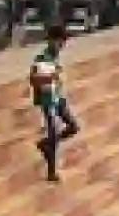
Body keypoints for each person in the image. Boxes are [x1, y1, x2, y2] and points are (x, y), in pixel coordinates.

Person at [29, 30, 81, 183]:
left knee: (73, 126)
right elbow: (35, 80)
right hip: (48, 101)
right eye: (59, 42)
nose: (61, 46)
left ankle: (45, 144)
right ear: (51, 41)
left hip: (58, 98)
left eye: (63, 43)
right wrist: (50, 78)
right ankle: (51, 172)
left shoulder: (54, 57)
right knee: (53, 133)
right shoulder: (42, 59)